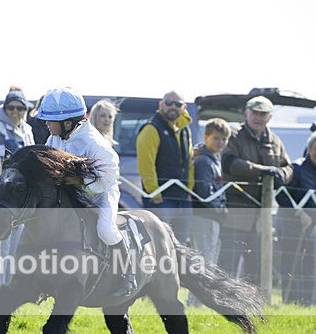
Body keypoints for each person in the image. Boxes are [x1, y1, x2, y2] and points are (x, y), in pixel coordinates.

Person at [36, 87, 135, 297]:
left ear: (68, 123)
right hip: (71, 194)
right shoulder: (55, 138)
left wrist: (75, 179)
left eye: (50, 120)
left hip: (101, 194)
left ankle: (128, 274)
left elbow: (106, 178)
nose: (46, 123)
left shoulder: (95, 144)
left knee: (106, 231)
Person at [220, 95, 293, 285]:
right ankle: (223, 301)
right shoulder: (234, 135)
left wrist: (281, 174)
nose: (258, 118)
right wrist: (264, 171)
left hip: (262, 217)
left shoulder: (275, 141)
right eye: (255, 113)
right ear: (246, 113)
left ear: (270, 117)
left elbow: (288, 167)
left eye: (263, 114)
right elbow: (230, 163)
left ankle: (254, 302)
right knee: (228, 266)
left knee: (258, 269)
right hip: (236, 212)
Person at [0, 87, 34, 287]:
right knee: (3, 243)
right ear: (5, 108)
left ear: (25, 110)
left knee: (15, 246)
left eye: (20, 108)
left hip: (18, 198)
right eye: (11, 107)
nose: (15, 112)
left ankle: (8, 288)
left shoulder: (27, 130)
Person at [276, 130, 316, 305]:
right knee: (291, 261)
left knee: (310, 261)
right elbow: (281, 194)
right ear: (309, 149)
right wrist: (299, 213)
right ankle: (290, 300)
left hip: (312, 223)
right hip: (290, 221)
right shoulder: (297, 167)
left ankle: (307, 302)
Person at [136, 90, 194, 244]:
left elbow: (189, 162)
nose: (173, 107)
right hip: (161, 200)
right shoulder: (151, 128)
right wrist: (155, 194)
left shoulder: (185, 129)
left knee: (181, 247)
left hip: (182, 198)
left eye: (178, 104)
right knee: (159, 245)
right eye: (169, 103)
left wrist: (189, 190)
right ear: (161, 104)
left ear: (184, 107)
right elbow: (146, 166)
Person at [191, 117, 229, 267]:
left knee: (211, 257)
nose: (220, 142)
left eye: (224, 139)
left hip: (212, 216)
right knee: (205, 259)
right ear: (206, 137)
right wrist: (220, 210)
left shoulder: (214, 159)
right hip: (205, 215)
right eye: (216, 138)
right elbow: (204, 193)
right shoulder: (203, 161)